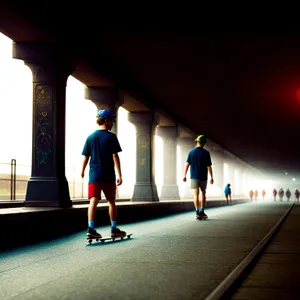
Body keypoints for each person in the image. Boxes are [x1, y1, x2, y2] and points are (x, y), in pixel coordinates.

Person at [81, 109, 126, 241]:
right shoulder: (111, 137)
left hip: (94, 174)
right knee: (111, 201)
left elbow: (86, 157)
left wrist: (82, 171)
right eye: (112, 120)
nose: (112, 123)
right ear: (106, 121)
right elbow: (115, 156)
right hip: (108, 175)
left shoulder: (90, 137)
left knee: (93, 201)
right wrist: (120, 175)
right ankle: (114, 229)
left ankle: (90, 229)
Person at [183, 134, 214, 220]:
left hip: (193, 176)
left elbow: (187, 164)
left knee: (195, 194)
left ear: (197, 141)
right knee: (203, 193)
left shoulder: (191, 152)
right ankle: (202, 211)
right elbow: (209, 167)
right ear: (203, 143)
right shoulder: (206, 153)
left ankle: (197, 210)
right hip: (203, 176)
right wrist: (212, 177)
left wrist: (184, 175)